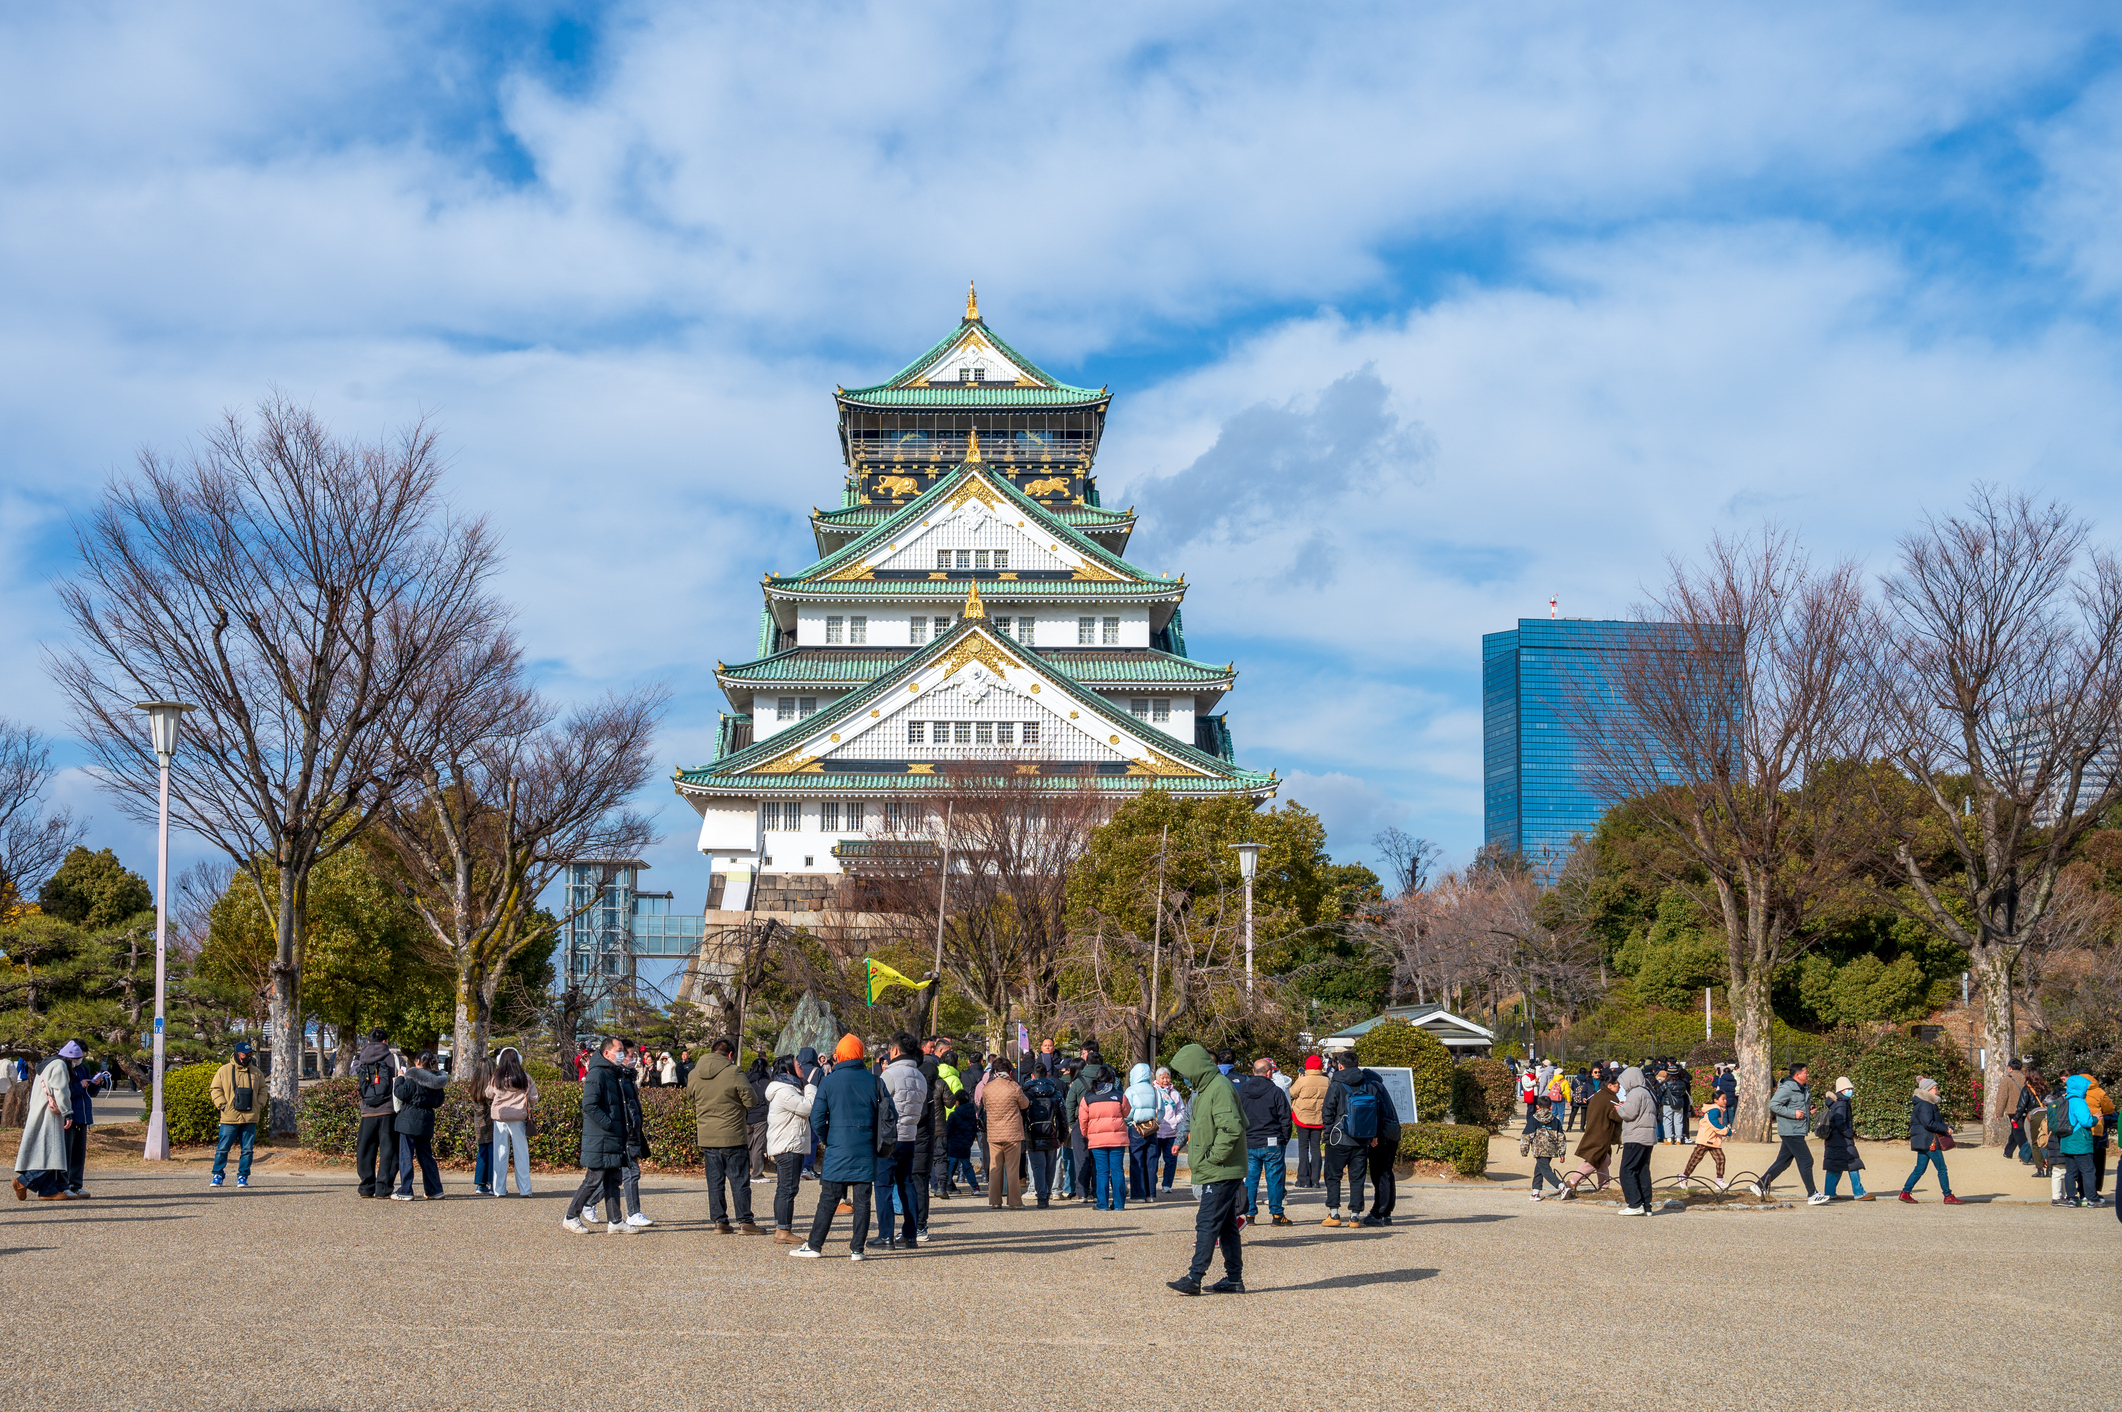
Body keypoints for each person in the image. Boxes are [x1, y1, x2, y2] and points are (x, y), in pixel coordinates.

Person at [792, 1033, 890, 1261]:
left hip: (838, 1147)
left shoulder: (828, 1081)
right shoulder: (875, 1080)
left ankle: (815, 1245)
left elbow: (817, 1118)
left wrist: (829, 1139)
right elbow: (888, 1115)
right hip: (866, 1146)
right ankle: (857, 1249)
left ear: (839, 1055)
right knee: (863, 1200)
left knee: (828, 1198)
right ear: (861, 1054)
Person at [1166, 1043, 1245, 1296]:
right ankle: (1233, 1279)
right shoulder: (1207, 1088)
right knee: (1226, 1225)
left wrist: (1213, 1157)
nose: (1184, 1078)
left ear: (1196, 1068)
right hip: (1219, 1168)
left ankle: (1194, 1276)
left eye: (1185, 1072)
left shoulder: (1218, 1088)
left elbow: (1231, 1127)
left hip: (1220, 1168)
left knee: (1207, 1221)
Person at [686, 1037, 761, 1235]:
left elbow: (690, 1098)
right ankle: (745, 1222)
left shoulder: (694, 1074)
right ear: (730, 1055)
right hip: (733, 1134)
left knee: (714, 1182)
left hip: (707, 1135)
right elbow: (751, 1100)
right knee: (739, 1181)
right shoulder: (733, 1071)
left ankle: (720, 1221)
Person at [562, 1037, 629, 1233]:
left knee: (613, 1180)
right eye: (619, 1050)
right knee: (594, 1178)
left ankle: (615, 1221)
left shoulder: (613, 1073)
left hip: (611, 1136)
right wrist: (608, 1124)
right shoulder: (597, 1074)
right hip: (602, 1136)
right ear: (607, 1053)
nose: (622, 1053)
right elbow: (589, 1105)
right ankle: (571, 1216)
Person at [1318, 1050, 1389, 1227]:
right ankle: (1355, 1216)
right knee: (1357, 1179)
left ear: (1340, 1065)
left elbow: (1327, 1111)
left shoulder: (1336, 1084)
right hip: (1362, 1139)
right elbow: (1379, 1113)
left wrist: (1327, 1135)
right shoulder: (1368, 1084)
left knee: (1333, 1176)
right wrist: (1374, 1134)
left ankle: (1334, 1215)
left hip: (1338, 1138)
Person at [874, 1033, 930, 1248]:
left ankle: (886, 1235)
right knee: (907, 1184)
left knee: (883, 1185)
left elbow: (878, 1102)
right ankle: (910, 1234)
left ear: (894, 1050)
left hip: (889, 1138)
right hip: (910, 1136)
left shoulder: (890, 1074)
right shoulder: (920, 1076)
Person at [1754, 1062, 1827, 1205]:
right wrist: (1793, 1114)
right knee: (1806, 1160)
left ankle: (1759, 1185)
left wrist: (1808, 1110)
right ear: (1797, 1075)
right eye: (1805, 1072)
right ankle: (1812, 1194)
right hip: (1790, 1130)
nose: (1808, 1074)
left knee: (1783, 1162)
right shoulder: (1787, 1088)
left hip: (1796, 1129)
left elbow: (1798, 1106)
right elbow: (1773, 1105)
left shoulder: (1803, 1087)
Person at [765, 1053, 818, 1243]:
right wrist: (811, 1087)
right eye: (798, 1064)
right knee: (788, 1189)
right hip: (788, 1146)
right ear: (788, 1069)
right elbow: (808, 1107)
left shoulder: (788, 1088)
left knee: (784, 1188)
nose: (802, 1066)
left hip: (788, 1144)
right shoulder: (785, 1091)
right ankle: (783, 1230)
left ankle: (781, 1226)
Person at [11, 1050, 75, 1200]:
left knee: (46, 1151)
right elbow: (61, 1090)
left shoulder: (46, 1064)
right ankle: (24, 1181)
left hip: (39, 1110)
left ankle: (48, 1190)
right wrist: (67, 1112)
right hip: (50, 1113)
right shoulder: (59, 1065)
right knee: (52, 1151)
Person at [1237, 1057, 1294, 1225]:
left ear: (1253, 1072)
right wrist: (1284, 1139)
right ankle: (1277, 1214)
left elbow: (1236, 1116)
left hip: (1249, 1141)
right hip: (1272, 1140)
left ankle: (1249, 1213)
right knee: (1274, 1179)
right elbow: (1286, 1118)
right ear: (1269, 1072)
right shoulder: (1276, 1091)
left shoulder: (1242, 1092)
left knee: (1251, 1179)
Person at [203, 1039, 265, 1190]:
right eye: (246, 1054)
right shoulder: (224, 1070)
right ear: (238, 1054)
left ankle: (243, 1175)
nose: (248, 1057)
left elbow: (263, 1089)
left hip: (250, 1116)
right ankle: (217, 1174)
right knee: (223, 1148)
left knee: (248, 1149)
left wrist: (259, 1105)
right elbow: (215, 1089)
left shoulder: (256, 1072)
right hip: (229, 1117)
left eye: (250, 1054)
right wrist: (222, 1105)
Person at [389, 1050, 447, 1201]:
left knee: (406, 1155)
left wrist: (400, 1077)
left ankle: (406, 1190)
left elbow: (400, 1093)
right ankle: (434, 1189)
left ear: (417, 1062)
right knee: (426, 1156)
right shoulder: (437, 1081)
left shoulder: (412, 1078)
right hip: (426, 1120)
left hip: (409, 1118)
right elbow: (438, 1101)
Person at [1898, 1074, 1964, 1205]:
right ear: (1927, 1090)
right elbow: (1929, 1123)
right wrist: (1945, 1128)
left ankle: (1905, 1192)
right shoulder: (1926, 1104)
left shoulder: (1922, 1103)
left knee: (1920, 1169)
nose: (1937, 1090)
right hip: (1930, 1141)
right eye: (1934, 1088)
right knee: (1942, 1168)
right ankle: (1948, 1195)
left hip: (1923, 1141)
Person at [352, 1028, 400, 1199]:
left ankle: (366, 1187)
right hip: (388, 1110)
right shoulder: (393, 1058)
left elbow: (354, 1076)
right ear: (385, 1041)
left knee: (365, 1150)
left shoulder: (360, 1058)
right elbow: (398, 1078)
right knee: (389, 1150)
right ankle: (383, 1188)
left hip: (367, 1111)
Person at [483, 1047, 537, 1196]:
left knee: (500, 1154)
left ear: (500, 1060)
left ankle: (499, 1189)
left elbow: (488, 1094)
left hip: (500, 1118)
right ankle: (525, 1190)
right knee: (521, 1154)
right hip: (519, 1118)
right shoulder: (525, 1077)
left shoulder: (496, 1077)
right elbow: (533, 1098)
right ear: (518, 1059)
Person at [978, 1055, 1029, 1211]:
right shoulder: (1014, 1087)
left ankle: (995, 1200)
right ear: (1010, 1072)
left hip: (994, 1132)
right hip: (1012, 1133)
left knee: (995, 1167)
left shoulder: (987, 1088)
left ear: (994, 1071)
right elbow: (1024, 1104)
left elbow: (985, 1106)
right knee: (1012, 1169)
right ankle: (1014, 1201)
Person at [1559, 1066, 1619, 1199]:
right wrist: (1622, 1109)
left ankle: (1604, 1186)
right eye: (1617, 1085)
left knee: (1603, 1159)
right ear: (1610, 1085)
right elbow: (1616, 1116)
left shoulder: (1599, 1095)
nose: (1618, 1088)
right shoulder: (1609, 1099)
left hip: (1594, 1130)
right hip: (1602, 1133)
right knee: (1593, 1160)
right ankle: (1572, 1181)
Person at [1078, 1065, 1130, 1211]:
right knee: (1117, 1170)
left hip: (1097, 1139)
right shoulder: (1119, 1096)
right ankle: (1119, 1204)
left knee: (1101, 1171)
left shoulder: (1088, 1098)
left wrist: (1087, 1134)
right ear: (1112, 1079)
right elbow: (1126, 1112)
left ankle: (1102, 1203)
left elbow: (1082, 1120)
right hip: (1117, 1138)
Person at [614, 1041, 652, 1227]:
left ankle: (588, 1203)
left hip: (632, 1129)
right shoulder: (619, 1077)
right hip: (625, 1132)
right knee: (631, 1172)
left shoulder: (628, 1076)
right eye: (630, 1056)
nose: (632, 1059)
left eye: (634, 1056)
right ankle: (633, 1212)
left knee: (614, 1174)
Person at [61, 1040, 107, 1197]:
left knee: (79, 1153)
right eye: (79, 1056)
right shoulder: (64, 1068)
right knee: (66, 1152)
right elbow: (63, 1092)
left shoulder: (83, 1068)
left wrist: (95, 1083)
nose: (80, 1059)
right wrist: (79, 1085)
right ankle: (63, 1184)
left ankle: (76, 1184)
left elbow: (91, 1093)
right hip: (69, 1115)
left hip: (83, 1116)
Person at [1614, 1065, 1658, 1215]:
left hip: (1635, 1136)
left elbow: (1629, 1114)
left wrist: (1619, 1109)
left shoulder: (1634, 1093)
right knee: (1642, 1170)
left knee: (1627, 1170)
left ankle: (1634, 1203)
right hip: (1647, 1137)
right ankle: (1647, 1205)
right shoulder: (1648, 1092)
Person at [1818, 1076, 1868, 1200]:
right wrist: (1849, 1133)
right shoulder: (1842, 1103)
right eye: (1848, 1088)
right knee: (1853, 1164)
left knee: (1834, 1166)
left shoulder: (1835, 1103)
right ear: (1842, 1090)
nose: (1851, 1090)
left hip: (1834, 1140)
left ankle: (1830, 1192)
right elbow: (1840, 1123)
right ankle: (1859, 1192)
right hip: (1842, 1140)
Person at [2055, 1075, 2102, 1208]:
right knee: (2088, 1170)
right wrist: (2095, 1118)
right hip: (2079, 1140)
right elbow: (2085, 1121)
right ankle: (2092, 1198)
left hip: (2066, 1139)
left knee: (2071, 1171)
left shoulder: (2064, 1100)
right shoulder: (2079, 1101)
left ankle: (2071, 1198)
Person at [1022, 1062, 1063, 1207]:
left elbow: (1021, 1115)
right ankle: (1047, 1194)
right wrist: (1062, 1136)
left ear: (1032, 1076)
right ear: (1047, 1075)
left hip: (1033, 1135)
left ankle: (1041, 1196)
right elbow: (1062, 1117)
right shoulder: (1055, 1092)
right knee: (1050, 1166)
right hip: (1052, 1134)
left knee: (1038, 1166)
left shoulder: (1027, 1093)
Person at [1289, 1055, 1329, 1189]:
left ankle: (1303, 1179)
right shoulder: (1326, 1081)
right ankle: (1315, 1180)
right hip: (1319, 1118)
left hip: (1302, 1118)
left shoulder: (1303, 1080)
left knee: (1303, 1148)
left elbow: (1292, 1093)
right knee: (1316, 1148)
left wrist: (1299, 1079)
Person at [1124, 1061, 1160, 1202]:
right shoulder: (1153, 1089)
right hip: (1152, 1127)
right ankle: (1150, 1194)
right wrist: (1157, 1122)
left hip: (1137, 1127)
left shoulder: (1131, 1090)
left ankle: (1138, 1194)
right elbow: (1160, 1108)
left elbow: (1128, 1110)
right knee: (1151, 1161)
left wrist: (1129, 1121)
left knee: (1136, 1161)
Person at [1683, 1088, 1732, 1191]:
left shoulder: (1717, 1109)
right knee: (1696, 1159)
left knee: (1720, 1159)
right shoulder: (1714, 1110)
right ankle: (1683, 1177)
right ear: (1715, 1100)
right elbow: (1715, 1125)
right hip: (1706, 1139)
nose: (1725, 1101)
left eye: (1725, 1099)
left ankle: (1719, 1182)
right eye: (1723, 1099)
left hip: (1712, 1139)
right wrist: (1727, 1131)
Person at [1521, 1095, 1567, 1199]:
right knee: (1539, 1169)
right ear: (1551, 1107)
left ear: (1537, 1106)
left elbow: (1527, 1136)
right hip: (1551, 1150)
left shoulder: (1533, 1120)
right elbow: (1561, 1138)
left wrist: (1524, 1149)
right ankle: (1535, 1192)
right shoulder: (1556, 1121)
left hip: (1539, 1149)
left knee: (1545, 1170)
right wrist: (1562, 1153)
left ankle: (1562, 1187)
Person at [1152, 1067, 1186, 1193]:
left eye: (1167, 1077)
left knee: (1171, 1159)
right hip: (1156, 1131)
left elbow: (1181, 1110)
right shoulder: (1153, 1092)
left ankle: (1167, 1184)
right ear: (1157, 1079)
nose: (1165, 1080)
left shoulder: (1175, 1094)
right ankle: (1152, 1183)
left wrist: (1176, 1120)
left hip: (1171, 1132)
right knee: (1153, 1159)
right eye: (1163, 1078)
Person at [942, 1088, 981, 1196]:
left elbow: (948, 1131)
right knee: (967, 1167)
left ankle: (942, 1186)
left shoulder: (953, 1115)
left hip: (953, 1145)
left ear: (957, 1102)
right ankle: (975, 1187)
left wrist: (946, 1141)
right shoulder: (972, 1115)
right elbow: (974, 1130)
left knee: (949, 1167)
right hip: (965, 1145)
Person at [745, 1055, 771, 1182]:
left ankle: (744, 1172)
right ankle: (757, 1174)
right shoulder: (767, 1082)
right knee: (758, 1146)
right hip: (761, 1116)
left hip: (746, 1115)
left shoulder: (745, 1080)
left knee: (747, 1146)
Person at [1657, 1066, 1692, 1145]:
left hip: (1667, 1103)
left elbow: (1659, 1091)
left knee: (1667, 1120)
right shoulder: (1682, 1083)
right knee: (1678, 1121)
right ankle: (1678, 1139)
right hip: (1679, 1103)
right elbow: (1683, 1092)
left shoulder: (1666, 1083)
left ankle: (1669, 1139)